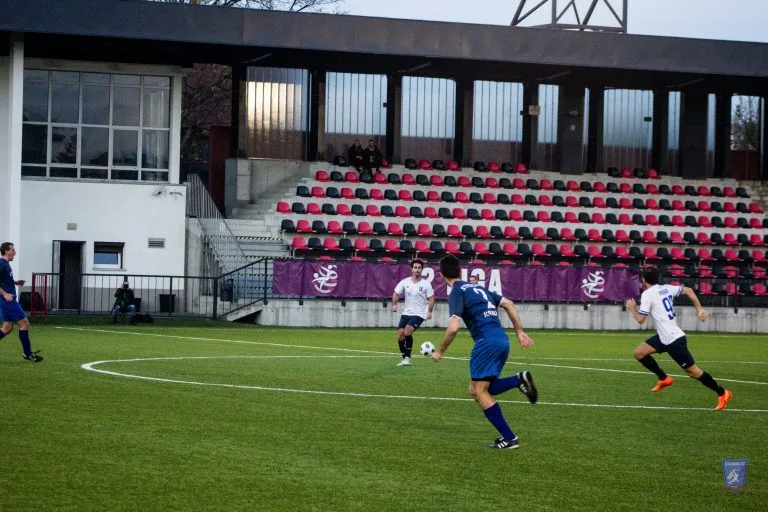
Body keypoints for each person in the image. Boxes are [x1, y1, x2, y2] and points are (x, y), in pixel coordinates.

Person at [431, 255, 536, 449]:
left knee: (479, 391)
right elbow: (509, 303)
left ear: (441, 275)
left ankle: (510, 438)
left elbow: (453, 327)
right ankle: (517, 380)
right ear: (461, 272)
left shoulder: (456, 291)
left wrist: (440, 351)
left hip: (485, 342)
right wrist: (519, 332)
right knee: (477, 389)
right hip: (502, 340)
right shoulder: (479, 288)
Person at [625, 266, 732, 410]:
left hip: (673, 340)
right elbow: (689, 290)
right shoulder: (667, 288)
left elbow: (640, 320)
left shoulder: (647, 294)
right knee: (639, 352)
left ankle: (722, 392)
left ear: (643, 280)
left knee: (693, 372)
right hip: (664, 336)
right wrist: (699, 309)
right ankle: (664, 378)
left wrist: (632, 308)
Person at [0, 242, 43, 362]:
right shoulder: (2, 264)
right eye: (12, 250)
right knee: (24, 323)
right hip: (8, 301)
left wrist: (15, 282)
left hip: (5, 301)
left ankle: (27, 353)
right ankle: (28, 353)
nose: (15, 252)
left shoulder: (5, 265)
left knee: (7, 328)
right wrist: (5, 294)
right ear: (7, 251)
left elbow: (3, 280)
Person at [391, 259, 434, 367]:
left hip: (420, 313)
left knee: (408, 331)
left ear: (422, 270)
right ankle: (406, 358)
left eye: (419, 268)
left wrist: (429, 311)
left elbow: (431, 298)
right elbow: (396, 293)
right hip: (407, 313)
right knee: (400, 335)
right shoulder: (405, 282)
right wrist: (394, 305)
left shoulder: (426, 284)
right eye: (415, 267)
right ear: (412, 269)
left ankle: (407, 358)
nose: (417, 270)